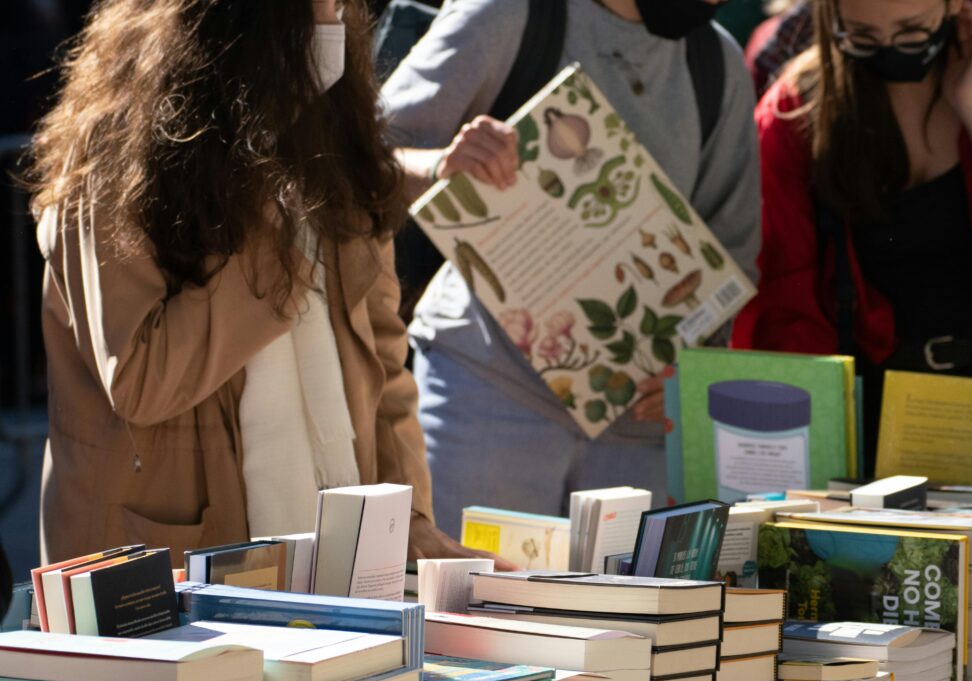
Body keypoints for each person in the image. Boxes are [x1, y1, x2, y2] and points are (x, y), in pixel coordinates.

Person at [28, 0, 501, 567]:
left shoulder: (330, 142)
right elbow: (140, 380)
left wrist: (410, 517)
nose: (333, 22)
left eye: (339, 6)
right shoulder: (113, 154)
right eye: (313, 8)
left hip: (328, 563)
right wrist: (266, 209)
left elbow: (381, 360)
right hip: (159, 571)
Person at [383, 0, 761, 537]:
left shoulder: (718, 61)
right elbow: (359, 159)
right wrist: (444, 165)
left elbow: (732, 255)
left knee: (627, 622)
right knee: (468, 613)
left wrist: (691, 365)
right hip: (486, 397)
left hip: (639, 428)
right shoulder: (508, 13)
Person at [732, 0, 972, 471]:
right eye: (863, 36)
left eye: (913, 32)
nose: (890, 50)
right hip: (874, 419)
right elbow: (785, 303)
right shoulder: (796, 109)